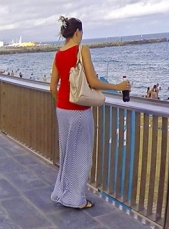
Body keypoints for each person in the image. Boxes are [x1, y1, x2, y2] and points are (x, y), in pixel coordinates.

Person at [49, 16, 130, 210]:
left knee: (67, 153)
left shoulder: (58, 54)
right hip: (79, 111)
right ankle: (75, 199)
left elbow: (52, 87)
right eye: (82, 32)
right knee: (82, 156)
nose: (82, 36)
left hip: (62, 110)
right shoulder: (82, 50)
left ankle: (62, 193)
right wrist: (117, 86)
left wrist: (63, 103)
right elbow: (93, 82)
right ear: (77, 32)